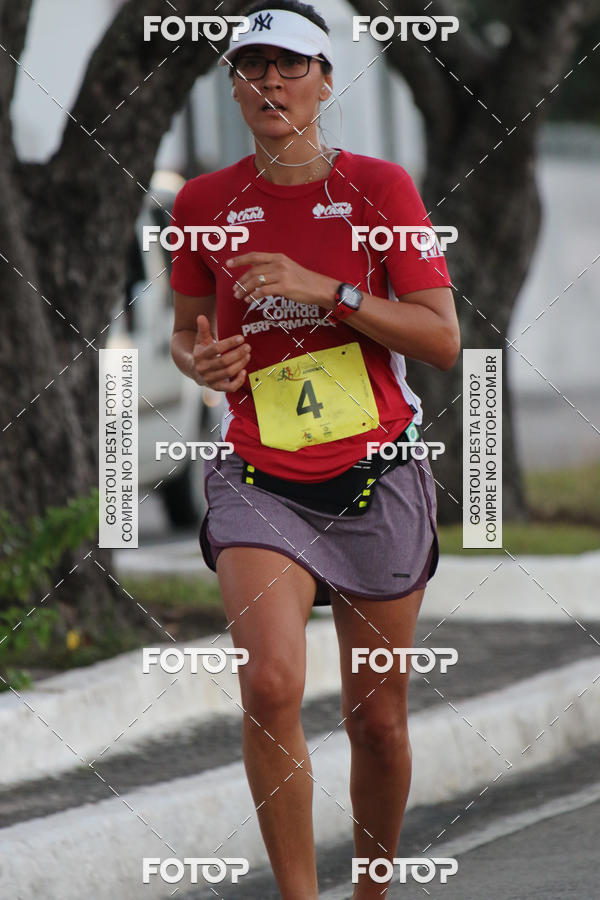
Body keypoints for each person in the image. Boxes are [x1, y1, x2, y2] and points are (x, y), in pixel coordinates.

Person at [169, 2, 460, 897]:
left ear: (326, 81)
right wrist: (200, 360)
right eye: (252, 67)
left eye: (290, 65)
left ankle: (371, 890)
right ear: (233, 84)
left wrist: (325, 290)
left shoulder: (382, 189)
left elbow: (440, 339)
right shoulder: (202, 203)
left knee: (377, 721)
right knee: (268, 684)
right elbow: (186, 329)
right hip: (261, 476)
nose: (271, 82)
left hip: (378, 474)